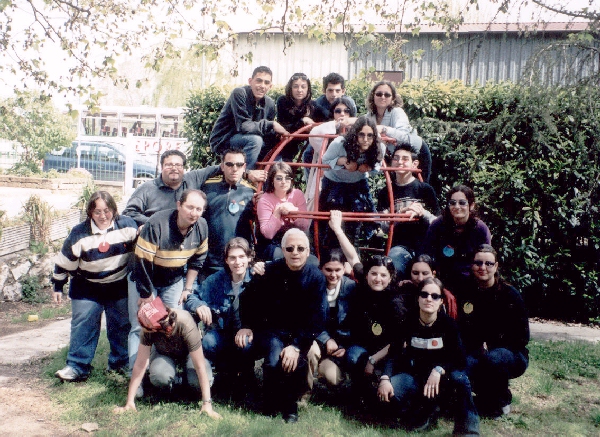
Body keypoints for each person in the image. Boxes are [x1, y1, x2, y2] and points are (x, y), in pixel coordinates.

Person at [238, 228, 327, 423]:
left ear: (308, 251)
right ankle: (269, 404)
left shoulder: (316, 277)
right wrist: (247, 325)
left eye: (300, 248)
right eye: (290, 248)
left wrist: (296, 345)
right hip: (274, 331)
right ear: (283, 250)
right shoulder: (269, 271)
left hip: (302, 334)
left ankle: (290, 408)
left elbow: (318, 319)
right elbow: (247, 299)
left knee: (294, 361)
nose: (295, 252)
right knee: (273, 360)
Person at [53, 191, 138, 381]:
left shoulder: (127, 226)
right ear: (90, 212)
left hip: (117, 284)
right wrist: (58, 285)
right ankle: (77, 366)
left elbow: (140, 250)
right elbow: (64, 261)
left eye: (107, 211)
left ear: (114, 210)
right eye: (97, 211)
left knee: (121, 326)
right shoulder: (79, 233)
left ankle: (120, 364)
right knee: (84, 325)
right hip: (86, 286)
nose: (103, 216)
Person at [377, 277, 480, 435]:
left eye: (435, 296)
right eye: (424, 295)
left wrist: (439, 369)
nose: (428, 299)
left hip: (443, 379)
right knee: (392, 389)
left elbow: (459, 360)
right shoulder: (407, 322)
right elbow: (394, 353)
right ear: (418, 298)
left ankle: (468, 431)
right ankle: (424, 412)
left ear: (441, 302)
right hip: (417, 377)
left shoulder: (449, 325)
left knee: (460, 380)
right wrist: (385, 378)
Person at [128, 189, 209, 380]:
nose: (194, 213)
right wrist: (147, 295)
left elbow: (198, 259)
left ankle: (164, 369)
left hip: (173, 280)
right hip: (145, 279)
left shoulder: (202, 226)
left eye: (199, 209)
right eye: (190, 207)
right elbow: (142, 261)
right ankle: (136, 377)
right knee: (142, 325)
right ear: (179, 205)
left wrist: (187, 288)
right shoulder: (157, 223)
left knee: (171, 324)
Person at [328, 210, 405, 402]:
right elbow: (353, 257)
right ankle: (360, 395)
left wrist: (374, 359)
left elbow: (398, 341)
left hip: (387, 350)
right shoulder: (364, 281)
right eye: (374, 274)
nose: (377, 278)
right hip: (363, 345)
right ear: (367, 274)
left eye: (383, 275)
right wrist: (337, 229)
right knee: (354, 358)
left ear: (390, 278)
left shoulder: (396, 301)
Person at [114, 298, 221, 420]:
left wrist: (207, 404)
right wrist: (129, 402)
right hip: (163, 353)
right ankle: (171, 385)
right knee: (160, 376)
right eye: (163, 329)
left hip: (189, 353)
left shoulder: (185, 322)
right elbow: (140, 364)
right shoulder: (147, 327)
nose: (169, 330)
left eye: (170, 323)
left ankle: (185, 383)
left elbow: (200, 365)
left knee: (200, 379)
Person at [457, 244, 529, 418]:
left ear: (496, 266)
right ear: (472, 265)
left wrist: (492, 344)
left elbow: (522, 337)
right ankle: (482, 399)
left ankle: (501, 401)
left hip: (510, 353)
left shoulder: (509, 295)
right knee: (461, 368)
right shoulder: (465, 291)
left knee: (493, 360)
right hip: (477, 349)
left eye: (488, 263)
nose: (483, 268)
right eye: (478, 263)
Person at [184, 237, 262, 391]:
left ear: (249, 258)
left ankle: (247, 374)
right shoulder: (216, 280)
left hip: (250, 334)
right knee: (208, 342)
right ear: (226, 260)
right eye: (232, 258)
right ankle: (226, 373)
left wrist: (264, 266)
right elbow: (191, 297)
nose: (237, 262)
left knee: (245, 343)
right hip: (223, 332)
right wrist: (199, 305)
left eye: (241, 257)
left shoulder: (257, 277)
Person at [122, 149, 264, 229]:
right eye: (169, 165)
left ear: (183, 168)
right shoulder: (147, 189)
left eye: (178, 165)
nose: (174, 168)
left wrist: (247, 173)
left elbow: (225, 167)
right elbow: (129, 213)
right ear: (161, 167)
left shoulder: (192, 178)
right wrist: (153, 223)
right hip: (155, 239)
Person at [319, 115, 384, 247]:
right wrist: (343, 161)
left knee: (354, 226)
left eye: (370, 135)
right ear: (355, 134)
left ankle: (353, 259)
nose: (365, 140)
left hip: (357, 185)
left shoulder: (379, 147)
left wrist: (368, 167)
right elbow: (324, 160)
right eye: (361, 135)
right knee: (331, 224)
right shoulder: (340, 143)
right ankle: (328, 258)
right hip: (334, 184)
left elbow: (378, 166)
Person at [377, 143, 439, 278]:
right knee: (393, 269)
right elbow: (382, 227)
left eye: (405, 159)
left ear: (414, 164)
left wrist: (422, 212)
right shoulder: (385, 192)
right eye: (396, 158)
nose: (399, 162)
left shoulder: (425, 189)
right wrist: (402, 214)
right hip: (400, 246)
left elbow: (438, 222)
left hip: (425, 245)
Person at [209, 66, 289, 169]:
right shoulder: (239, 93)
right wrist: (272, 124)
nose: (262, 86)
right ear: (250, 81)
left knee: (276, 143)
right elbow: (244, 126)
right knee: (255, 140)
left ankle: (274, 177)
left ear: (270, 86)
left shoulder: (269, 103)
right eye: (259, 81)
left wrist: (278, 136)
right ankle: (246, 178)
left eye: (266, 83)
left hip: (248, 139)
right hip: (224, 140)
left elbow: (266, 132)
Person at [420, 184, 491, 294]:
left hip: (472, 282)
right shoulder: (438, 225)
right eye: (452, 203)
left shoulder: (480, 229)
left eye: (462, 203)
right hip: (442, 281)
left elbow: (487, 261)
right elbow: (426, 255)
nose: (457, 206)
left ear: (471, 205)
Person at [197, 149, 257, 279]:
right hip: (208, 262)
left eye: (239, 165)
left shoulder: (251, 192)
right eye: (229, 164)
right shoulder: (207, 186)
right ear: (222, 166)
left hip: (237, 263)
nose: (234, 168)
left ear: (244, 167)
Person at [307, 248, 356, 391]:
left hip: (340, 345)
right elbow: (310, 319)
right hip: (317, 338)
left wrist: (345, 346)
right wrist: (326, 339)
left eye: (337, 270)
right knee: (310, 351)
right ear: (321, 268)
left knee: (332, 379)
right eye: (328, 270)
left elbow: (357, 322)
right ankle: (304, 393)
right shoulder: (314, 286)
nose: (333, 275)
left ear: (344, 268)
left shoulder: (351, 288)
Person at [365, 80, 432, 183]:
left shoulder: (397, 112)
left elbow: (404, 136)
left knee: (419, 188)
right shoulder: (369, 116)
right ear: (373, 97)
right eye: (379, 94)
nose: (382, 97)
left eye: (387, 95)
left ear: (392, 99)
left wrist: (384, 129)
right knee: (397, 189)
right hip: (394, 156)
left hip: (416, 152)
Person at [304, 96, 357, 210]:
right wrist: (337, 124)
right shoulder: (327, 134)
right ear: (333, 113)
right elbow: (313, 135)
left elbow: (372, 135)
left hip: (351, 182)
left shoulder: (359, 134)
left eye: (346, 111)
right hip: (327, 182)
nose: (342, 114)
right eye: (338, 111)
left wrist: (354, 122)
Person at [256, 162, 311, 260]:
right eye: (279, 178)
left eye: (287, 178)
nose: (283, 182)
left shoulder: (297, 194)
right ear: (272, 180)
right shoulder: (265, 199)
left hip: (295, 242)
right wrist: (277, 212)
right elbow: (267, 234)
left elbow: (304, 225)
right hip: (273, 243)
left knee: (312, 261)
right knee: (283, 258)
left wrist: (294, 212)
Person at [276, 73, 326, 161]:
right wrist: (302, 121)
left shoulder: (313, 105)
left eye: (303, 87)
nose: (299, 90)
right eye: (295, 86)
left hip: (306, 142)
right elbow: (283, 126)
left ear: (308, 89)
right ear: (290, 88)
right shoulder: (283, 101)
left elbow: (327, 119)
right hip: (287, 141)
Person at [398, 254, 458, 320]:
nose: (420, 278)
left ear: (433, 274)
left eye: (425, 273)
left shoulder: (446, 296)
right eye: (415, 273)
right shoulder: (404, 290)